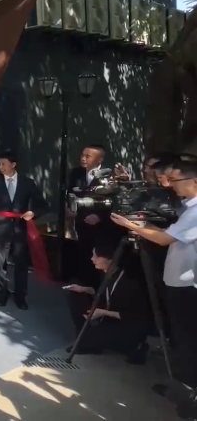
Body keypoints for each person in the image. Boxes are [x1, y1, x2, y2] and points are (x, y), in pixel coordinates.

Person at [110, 158, 197, 389]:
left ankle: (187, 392)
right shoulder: (188, 208)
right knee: (180, 337)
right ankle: (182, 386)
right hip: (179, 280)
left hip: (187, 285)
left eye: (175, 180)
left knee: (187, 339)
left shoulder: (195, 211)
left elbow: (163, 239)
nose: (170, 185)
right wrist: (143, 223)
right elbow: (168, 232)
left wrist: (130, 225)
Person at [63, 243, 151, 361]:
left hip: (127, 325)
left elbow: (135, 315)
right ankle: (86, 342)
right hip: (109, 318)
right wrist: (85, 289)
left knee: (93, 336)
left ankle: (135, 347)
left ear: (110, 260)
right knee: (74, 294)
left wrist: (103, 312)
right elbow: (105, 294)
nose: (92, 259)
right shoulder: (107, 273)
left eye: (97, 256)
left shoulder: (128, 282)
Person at [0, 151, 41, 310]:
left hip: (20, 228)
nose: (0, 167)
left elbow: (41, 203)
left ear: (13, 164)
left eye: (3, 164)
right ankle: (2, 292)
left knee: (21, 263)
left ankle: (20, 295)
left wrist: (33, 213)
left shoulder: (27, 183)